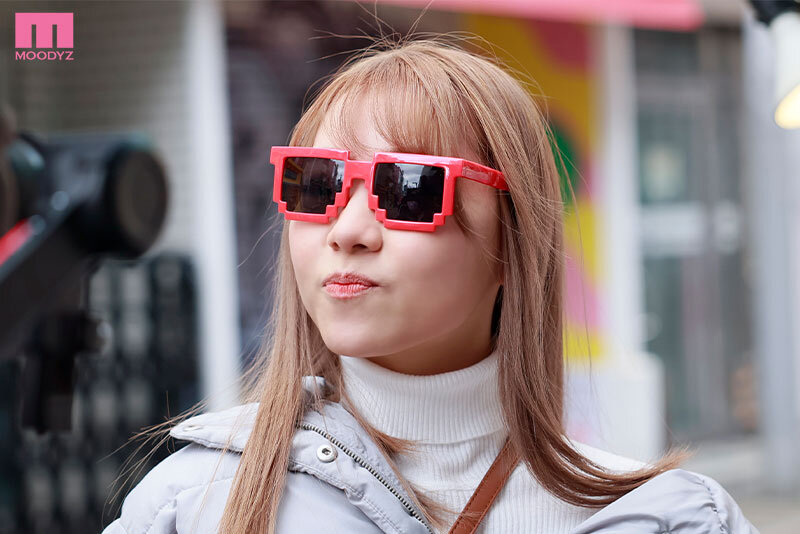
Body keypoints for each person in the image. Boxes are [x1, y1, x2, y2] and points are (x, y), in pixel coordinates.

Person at [102, 36, 759, 534]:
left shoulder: (663, 520)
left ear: (513, 241)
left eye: (409, 189)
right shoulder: (194, 502)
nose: (347, 231)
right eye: (317, 183)